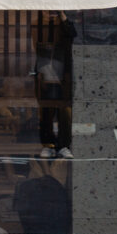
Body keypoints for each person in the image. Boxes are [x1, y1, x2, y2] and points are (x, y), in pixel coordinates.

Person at [35, 11, 76, 159]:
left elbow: (71, 34)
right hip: (45, 73)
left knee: (65, 111)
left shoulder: (64, 26)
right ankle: (48, 144)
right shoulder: (38, 24)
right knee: (46, 111)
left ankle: (63, 145)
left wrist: (61, 15)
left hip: (63, 75)